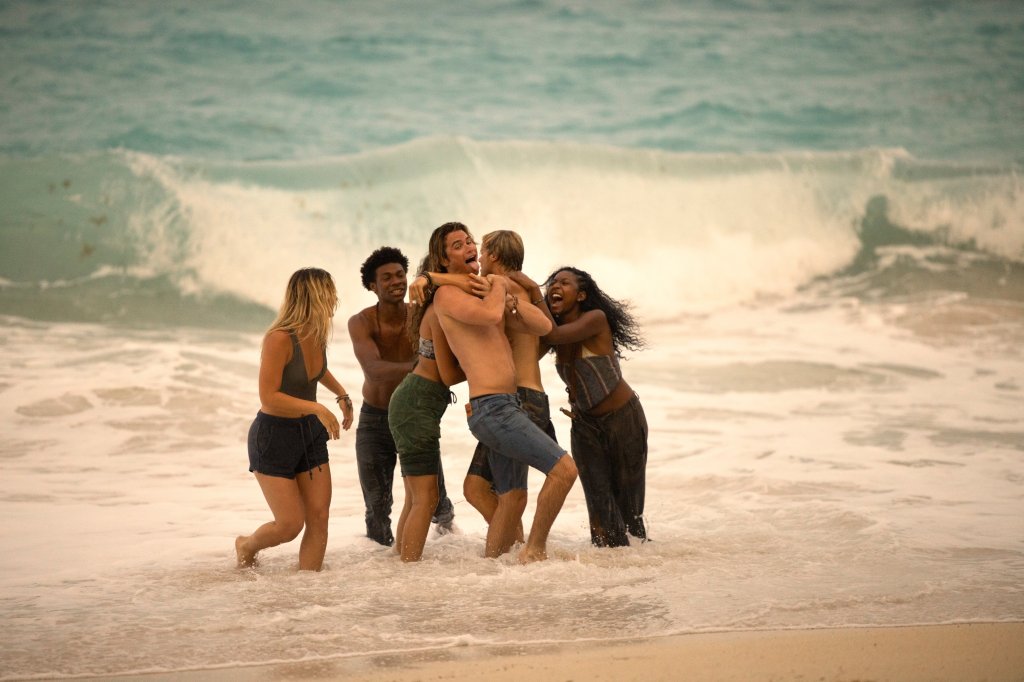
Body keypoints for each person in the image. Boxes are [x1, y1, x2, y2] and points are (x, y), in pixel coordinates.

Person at [429, 222, 578, 563]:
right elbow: (489, 314)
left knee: (511, 498)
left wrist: (512, 297)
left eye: (471, 242)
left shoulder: (485, 289)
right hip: (493, 409)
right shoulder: (448, 295)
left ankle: (494, 570)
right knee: (565, 471)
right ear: (443, 257)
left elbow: (543, 327)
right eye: (459, 245)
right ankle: (534, 550)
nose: (470, 248)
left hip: (508, 403)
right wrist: (498, 287)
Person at [235, 267, 354, 571]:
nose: (334, 298)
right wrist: (317, 408)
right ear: (313, 295)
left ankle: (307, 589)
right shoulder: (279, 338)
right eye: (329, 291)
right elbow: (269, 396)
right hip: (274, 436)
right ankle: (246, 545)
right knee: (290, 525)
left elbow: (316, 370)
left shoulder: (317, 333)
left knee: (319, 517)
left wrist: (341, 394)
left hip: (309, 435)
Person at [521, 266, 649, 547]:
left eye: (564, 283)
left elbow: (553, 336)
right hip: (584, 427)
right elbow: (526, 357)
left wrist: (531, 290)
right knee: (600, 511)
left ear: (580, 295)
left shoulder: (595, 319)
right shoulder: (554, 331)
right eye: (552, 282)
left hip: (623, 421)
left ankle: (641, 578)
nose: (554, 285)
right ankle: (607, 580)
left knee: (630, 514)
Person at [348, 247, 455, 547]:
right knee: (377, 509)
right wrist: (422, 367)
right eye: (387, 278)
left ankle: (451, 548)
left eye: (400, 275)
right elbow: (375, 370)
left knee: (437, 503)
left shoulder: (419, 314)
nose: (396, 281)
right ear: (373, 286)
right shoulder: (362, 322)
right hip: (375, 420)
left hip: (413, 417)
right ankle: (383, 568)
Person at [387, 239, 467, 561]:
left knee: (413, 498)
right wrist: (484, 367)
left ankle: (399, 562)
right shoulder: (438, 311)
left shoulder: (431, 310)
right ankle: (409, 567)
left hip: (411, 402)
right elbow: (447, 375)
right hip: (417, 405)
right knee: (426, 497)